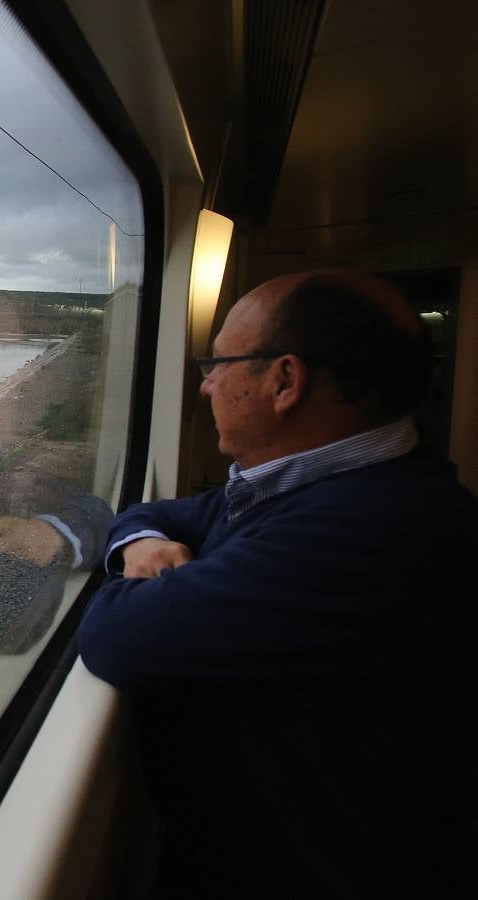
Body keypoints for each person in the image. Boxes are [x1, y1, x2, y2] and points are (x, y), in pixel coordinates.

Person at [78, 271, 478, 898]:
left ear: (284, 380)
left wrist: (136, 583)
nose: (206, 383)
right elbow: (171, 515)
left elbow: (116, 635)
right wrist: (145, 543)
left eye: (218, 364)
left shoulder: (374, 530)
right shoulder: (307, 486)